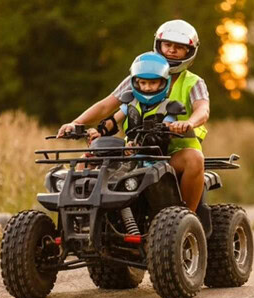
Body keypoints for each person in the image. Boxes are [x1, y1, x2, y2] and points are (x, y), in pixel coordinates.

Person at [57, 19, 210, 212]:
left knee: (195, 158)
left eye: (178, 47)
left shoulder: (193, 82)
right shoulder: (139, 76)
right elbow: (106, 106)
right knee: (85, 160)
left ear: (189, 52)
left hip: (174, 152)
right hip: (134, 150)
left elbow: (203, 110)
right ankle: (80, 213)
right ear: (158, 45)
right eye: (168, 45)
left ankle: (188, 219)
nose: (171, 50)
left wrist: (188, 123)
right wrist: (76, 123)